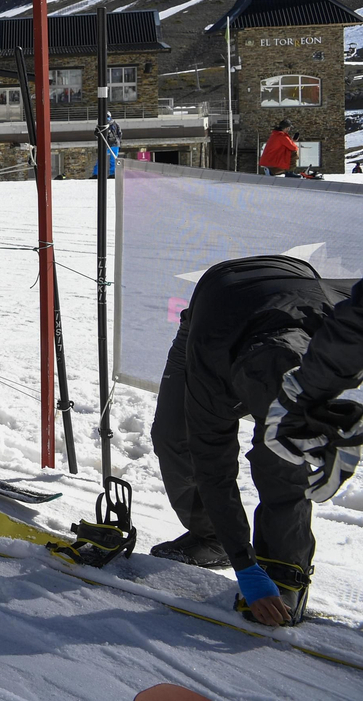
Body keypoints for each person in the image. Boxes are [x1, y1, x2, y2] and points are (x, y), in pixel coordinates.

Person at [150, 255, 354, 627]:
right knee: (173, 436)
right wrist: (244, 565)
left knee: (280, 459)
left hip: (296, 288)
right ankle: (212, 538)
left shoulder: (338, 328)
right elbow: (214, 469)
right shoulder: (211, 378)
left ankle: (285, 566)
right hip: (210, 316)